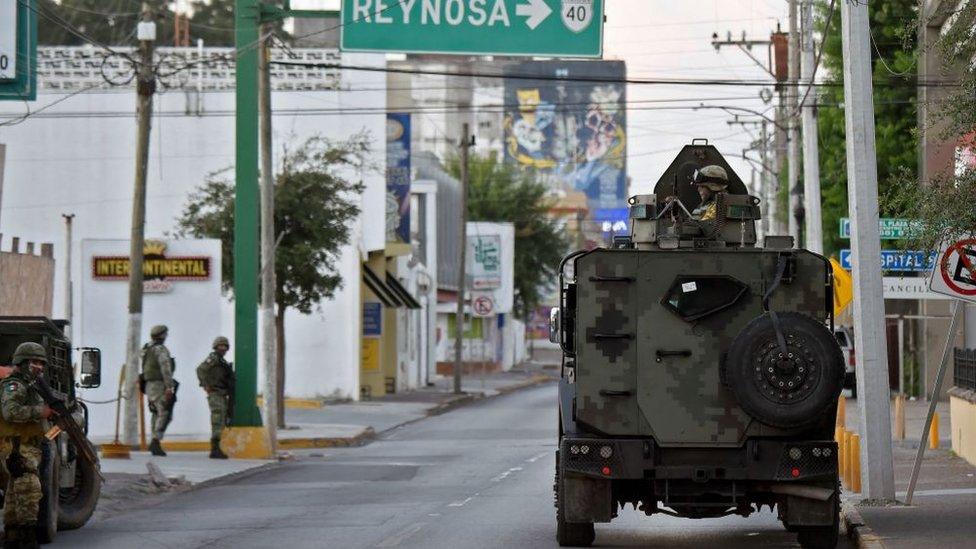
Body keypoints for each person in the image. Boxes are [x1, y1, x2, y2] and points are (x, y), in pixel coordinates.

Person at [0, 342, 57, 549]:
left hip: (28, 444)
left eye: (42, 363)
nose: (39, 367)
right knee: (29, 488)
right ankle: (26, 539)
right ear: (22, 362)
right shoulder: (14, 385)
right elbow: (11, 412)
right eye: (35, 362)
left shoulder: (31, 385)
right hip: (17, 446)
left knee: (16, 492)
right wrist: (39, 412)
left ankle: (13, 536)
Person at [196, 337, 234, 460]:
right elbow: (200, 369)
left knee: (222, 418)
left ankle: (217, 447)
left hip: (221, 393)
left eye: (225, 346)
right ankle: (215, 448)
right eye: (220, 346)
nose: (223, 348)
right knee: (217, 418)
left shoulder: (221, 361)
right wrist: (205, 385)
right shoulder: (213, 358)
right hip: (215, 393)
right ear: (215, 347)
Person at [141, 325, 175, 457]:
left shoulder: (146, 348)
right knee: (165, 412)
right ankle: (155, 441)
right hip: (159, 384)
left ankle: (154, 440)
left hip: (149, 385)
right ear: (162, 335)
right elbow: (165, 368)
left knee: (156, 412)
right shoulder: (160, 350)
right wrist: (169, 386)